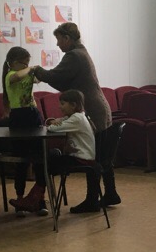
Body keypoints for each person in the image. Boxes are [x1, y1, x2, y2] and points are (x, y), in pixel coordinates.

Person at [33, 22, 120, 206]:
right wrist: (45, 77)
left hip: (92, 109)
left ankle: (92, 199)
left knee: (93, 156)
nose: (57, 44)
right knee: (102, 156)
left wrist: (36, 70)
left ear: (67, 38)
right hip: (99, 107)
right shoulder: (82, 52)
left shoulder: (73, 55)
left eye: (59, 40)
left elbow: (55, 76)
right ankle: (110, 193)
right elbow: (63, 83)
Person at [3, 47, 48, 216]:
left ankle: (40, 199)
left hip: (33, 115)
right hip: (18, 117)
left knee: (39, 160)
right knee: (21, 161)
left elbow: (39, 78)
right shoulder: (10, 75)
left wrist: (38, 71)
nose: (26, 66)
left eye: (28, 63)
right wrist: (30, 68)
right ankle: (20, 198)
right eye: (24, 63)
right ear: (13, 63)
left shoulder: (27, 73)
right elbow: (17, 77)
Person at [45, 89, 101, 214]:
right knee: (52, 155)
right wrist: (55, 120)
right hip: (84, 157)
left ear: (73, 105)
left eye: (62, 104)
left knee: (45, 162)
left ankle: (37, 197)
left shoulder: (76, 119)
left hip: (81, 159)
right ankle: (37, 196)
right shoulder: (78, 116)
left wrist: (53, 123)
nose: (59, 107)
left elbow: (52, 128)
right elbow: (60, 121)